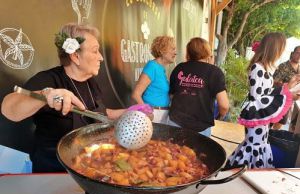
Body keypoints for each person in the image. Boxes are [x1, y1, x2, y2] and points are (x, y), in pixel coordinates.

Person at [1, 23, 149, 173]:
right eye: (95, 51)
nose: (101, 58)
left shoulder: (91, 82)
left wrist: (128, 111)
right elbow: (9, 109)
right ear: (75, 56)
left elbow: (99, 113)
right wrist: (45, 95)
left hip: (89, 169)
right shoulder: (48, 80)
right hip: (54, 173)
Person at [226, 33, 300, 169]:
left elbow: (266, 93)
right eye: (281, 48)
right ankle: (244, 174)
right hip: (256, 115)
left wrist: (288, 88)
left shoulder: (265, 68)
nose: (282, 52)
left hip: (261, 116)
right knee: (253, 146)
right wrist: (286, 93)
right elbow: (257, 97)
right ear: (274, 49)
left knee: (259, 145)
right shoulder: (257, 68)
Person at [168, 37, 229, 137]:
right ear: (207, 52)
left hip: (175, 122)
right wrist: (220, 117)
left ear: (189, 52)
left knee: (173, 152)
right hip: (200, 128)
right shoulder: (215, 72)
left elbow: (172, 95)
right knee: (197, 153)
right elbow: (224, 106)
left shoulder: (179, 68)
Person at [131, 36, 176, 124]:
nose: (175, 52)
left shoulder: (161, 68)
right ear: (162, 50)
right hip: (153, 114)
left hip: (162, 114)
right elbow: (136, 94)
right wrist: (147, 111)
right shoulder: (152, 66)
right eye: (173, 49)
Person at [272, 46, 300, 130]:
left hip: (290, 102)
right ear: (293, 53)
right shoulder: (283, 66)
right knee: (271, 122)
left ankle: (272, 138)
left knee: (281, 123)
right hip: (278, 100)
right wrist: (288, 85)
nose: (299, 55)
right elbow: (274, 82)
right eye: (298, 53)